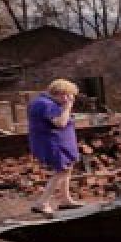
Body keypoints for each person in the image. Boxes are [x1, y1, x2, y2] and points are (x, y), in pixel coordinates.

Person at [27, 79, 84, 216]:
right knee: (61, 170)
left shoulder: (44, 101)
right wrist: (67, 107)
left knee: (67, 167)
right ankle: (42, 203)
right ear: (62, 94)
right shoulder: (46, 104)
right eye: (69, 95)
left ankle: (65, 199)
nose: (70, 99)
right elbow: (60, 123)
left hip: (59, 141)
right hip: (52, 142)